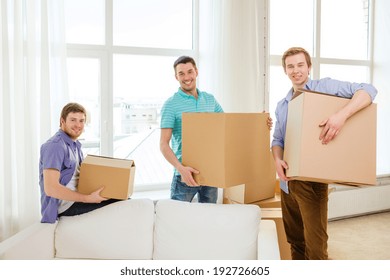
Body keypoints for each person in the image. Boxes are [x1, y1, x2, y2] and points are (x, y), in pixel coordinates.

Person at [271, 47, 378, 260]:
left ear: (309, 67)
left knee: (316, 247)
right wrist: (277, 160)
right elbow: (277, 140)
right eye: (290, 66)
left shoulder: (324, 87)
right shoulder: (282, 104)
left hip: (311, 183)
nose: (296, 70)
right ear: (285, 71)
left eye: (300, 65)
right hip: (287, 183)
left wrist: (341, 116)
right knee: (295, 242)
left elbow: (368, 90)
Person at [39, 102, 119, 223]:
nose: (78, 125)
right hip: (65, 207)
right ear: (62, 121)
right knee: (124, 204)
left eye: (81, 121)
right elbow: (51, 188)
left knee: (121, 197)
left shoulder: (75, 146)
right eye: (73, 120)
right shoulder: (55, 146)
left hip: (77, 200)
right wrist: (88, 199)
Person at [160, 56, 224, 203]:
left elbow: (226, 126)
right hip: (184, 176)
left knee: (208, 219)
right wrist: (181, 169)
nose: (187, 77)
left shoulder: (210, 100)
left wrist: (259, 121)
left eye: (190, 71)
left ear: (196, 72)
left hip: (210, 173)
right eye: (181, 74)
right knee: (177, 220)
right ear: (176, 77)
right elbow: (163, 144)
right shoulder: (171, 104)